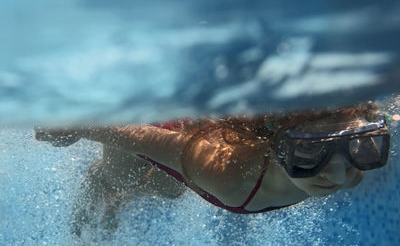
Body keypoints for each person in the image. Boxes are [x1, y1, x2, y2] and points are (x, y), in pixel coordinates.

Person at [35, 102, 391, 236]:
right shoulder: (228, 173)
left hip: (202, 139)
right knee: (120, 175)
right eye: (310, 157)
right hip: (152, 118)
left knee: (171, 189)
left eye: (360, 148)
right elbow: (137, 136)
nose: (345, 176)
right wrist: (75, 124)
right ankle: (97, 186)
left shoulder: (353, 131)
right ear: (279, 151)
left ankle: (122, 197)